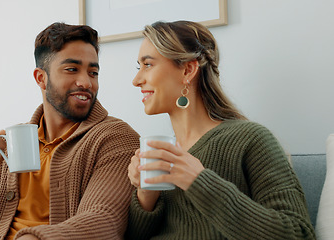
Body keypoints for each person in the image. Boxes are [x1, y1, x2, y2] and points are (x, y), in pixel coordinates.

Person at [0, 22, 140, 240]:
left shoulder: (116, 138)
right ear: (41, 78)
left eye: (93, 72)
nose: (86, 82)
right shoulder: (8, 144)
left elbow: (104, 221)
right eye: (72, 69)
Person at [125, 21, 315, 239]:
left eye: (147, 65)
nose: (136, 80)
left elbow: (298, 233)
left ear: (187, 70)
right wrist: (146, 193)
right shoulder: (161, 154)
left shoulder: (251, 139)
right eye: (138, 67)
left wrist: (199, 182)